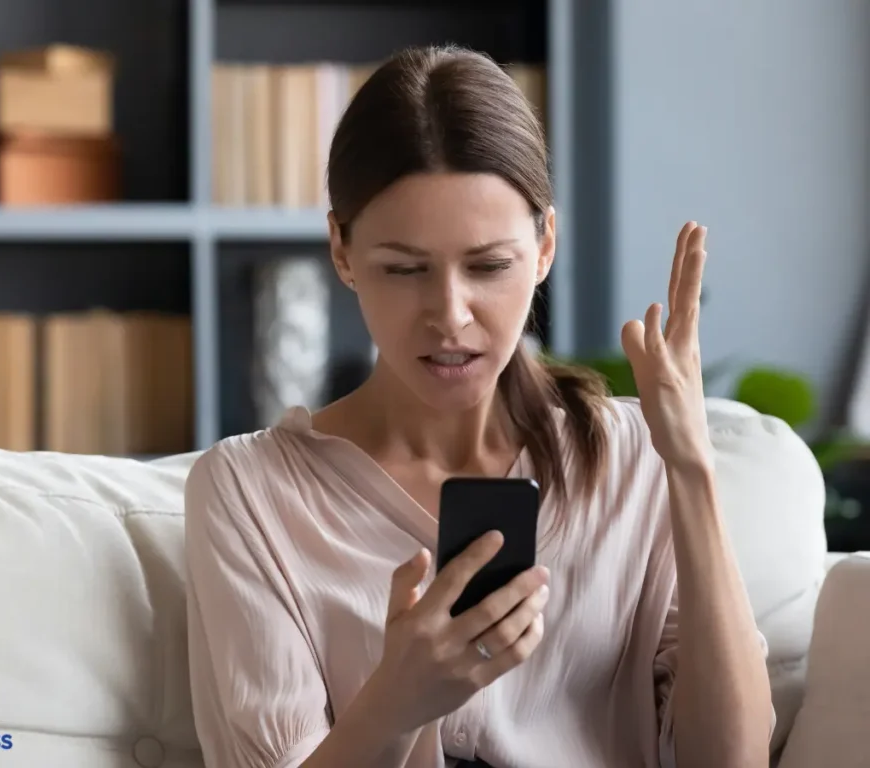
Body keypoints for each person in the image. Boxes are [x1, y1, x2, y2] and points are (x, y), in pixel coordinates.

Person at [183, 44, 774, 768]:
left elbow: (734, 759)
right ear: (341, 249)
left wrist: (691, 469)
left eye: (490, 266)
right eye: (404, 269)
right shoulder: (250, 493)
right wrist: (395, 705)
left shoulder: (632, 458)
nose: (451, 316)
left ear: (545, 245)